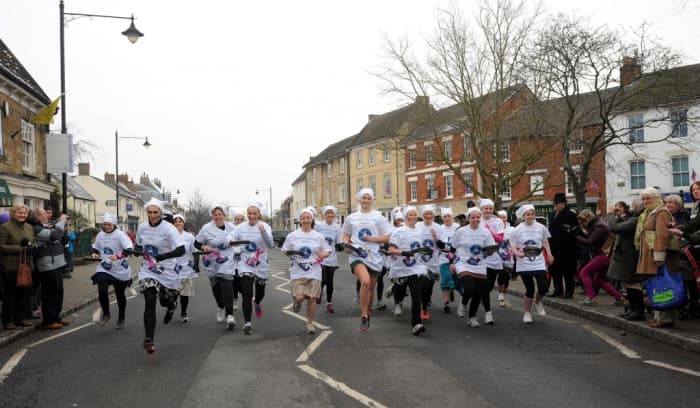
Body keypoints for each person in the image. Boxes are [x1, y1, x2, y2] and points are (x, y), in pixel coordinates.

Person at [135, 198, 185, 354]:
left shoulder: (169, 228)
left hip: (167, 270)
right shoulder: (142, 227)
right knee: (150, 300)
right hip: (148, 269)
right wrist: (136, 251)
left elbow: (181, 250)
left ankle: (171, 306)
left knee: (164, 301)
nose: (152, 215)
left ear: (161, 213)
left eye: (155, 212)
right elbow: (138, 245)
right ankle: (149, 338)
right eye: (149, 212)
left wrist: (162, 257)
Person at [342, 188, 391, 331]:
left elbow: (388, 237)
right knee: (365, 281)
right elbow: (345, 233)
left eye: (369, 198)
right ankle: (363, 315)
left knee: (370, 289)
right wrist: (347, 244)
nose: (366, 200)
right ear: (359, 199)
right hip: (357, 254)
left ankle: (367, 311)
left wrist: (373, 239)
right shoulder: (352, 217)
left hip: (374, 256)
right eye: (364, 198)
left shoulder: (378, 217)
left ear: (372, 200)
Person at [283, 207, 331, 334]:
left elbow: (328, 250)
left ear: (312, 219)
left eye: (308, 218)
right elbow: (284, 250)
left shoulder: (318, 236)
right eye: (303, 218)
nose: (305, 220)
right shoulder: (292, 236)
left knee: (312, 298)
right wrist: (290, 253)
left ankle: (310, 323)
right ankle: (297, 303)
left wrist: (323, 255)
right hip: (297, 271)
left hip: (314, 270)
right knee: (299, 297)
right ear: (300, 220)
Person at [229, 201, 273, 335]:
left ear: (259, 214)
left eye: (255, 213)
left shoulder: (264, 226)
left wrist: (264, 232)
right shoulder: (241, 227)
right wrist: (230, 240)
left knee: (260, 293)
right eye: (250, 213)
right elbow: (230, 237)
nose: (252, 216)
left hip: (260, 262)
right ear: (247, 214)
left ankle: (257, 302)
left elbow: (270, 244)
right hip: (245, 262)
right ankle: (247, 323)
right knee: (247, 293)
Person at [637, 188, 679, 328]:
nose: (645, 201)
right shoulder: (652, 212)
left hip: (658, 256)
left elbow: (662, 235)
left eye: (648, 198)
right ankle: (658, 316)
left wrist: (659, 256)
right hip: (651, 254)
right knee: (656, 286)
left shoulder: (661, 212)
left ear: (656, 198)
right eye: (643, 199)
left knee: (663, 286)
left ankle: (665, 318)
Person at [386, 206, 431, 335]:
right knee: (400, 291)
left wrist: (426, 251)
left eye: (414, 215)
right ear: (405, 217)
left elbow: (423, 248)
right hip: (401, 267)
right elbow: (391, 250)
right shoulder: (399, 231)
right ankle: (395, 290)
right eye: (410, 215)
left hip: (416, 267)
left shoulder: (420, 231)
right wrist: (405, 252)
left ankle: (416, 323)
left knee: (416, 293)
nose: (412, 217)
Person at [450, 207, 496, 327]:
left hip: (479, 264)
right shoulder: (461, 231)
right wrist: (451, 262)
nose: (475, 219)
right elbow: (452, 248)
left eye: (477, 217)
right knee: (470, 289)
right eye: (472, 217)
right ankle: (463, 303)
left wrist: (491, 251)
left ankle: (472, 317)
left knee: (479, 292)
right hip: (463, 263)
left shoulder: (485, 232)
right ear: (468, 218)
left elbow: (489, 249)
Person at [195, 206, 237, 329]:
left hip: (227, 259)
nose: (218, 217)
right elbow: (196, 243)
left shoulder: (232, 228)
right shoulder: (206, 228)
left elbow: (240, 240)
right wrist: (203, 247)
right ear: (212, 216)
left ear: (224, 215)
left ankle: (230, 315)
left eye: (220, 214)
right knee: (216, 287)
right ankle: (220, 306)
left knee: (227, 285)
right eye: (215, 215)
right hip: (211, 260)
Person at [89, 213, 133, 328]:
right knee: (102, 288)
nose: (107, 227)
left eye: (109, 224)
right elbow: (95, 247)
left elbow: (129, 248)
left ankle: (121, 317)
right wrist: (94, 252)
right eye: (105, 225)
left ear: (113, 224)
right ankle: (106, 314)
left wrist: (118, 256)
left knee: (119, 293)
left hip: (119, 268)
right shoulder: (100, 235)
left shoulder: (120, 235)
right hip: (105, 267)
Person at [28, 208, 70, 330]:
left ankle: (56, 317)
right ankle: (48, 320)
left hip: (56, 264)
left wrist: (60, 224)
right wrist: (61, 220)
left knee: (58, 293)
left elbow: (60, 234)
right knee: (49, 294)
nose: (47, 215)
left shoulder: (46, 226)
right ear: (38, 217)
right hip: (47, 265)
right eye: (44, 213)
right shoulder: (36, 229)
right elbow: (55, 235)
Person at [511, 205, 553, 323]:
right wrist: (517, 254)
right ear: (524, 216)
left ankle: (538, 302)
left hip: (538, 261)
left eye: (532, 214)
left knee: (543, 287)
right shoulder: (518, 229)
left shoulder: (541, 227)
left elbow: (545, 241)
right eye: (528, 214)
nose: (530, 216)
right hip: (524, 263)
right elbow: (512, 246)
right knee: (530, 289)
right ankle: (527, 312)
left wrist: (549, 254)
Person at [576, 209, 625, 306]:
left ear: (588, 218)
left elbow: (590, 241)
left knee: (584, 273)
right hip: (605, 255)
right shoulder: (598, 224)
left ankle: (591, 298)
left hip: (602, 255)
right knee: (599, 280)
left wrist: (576, 237)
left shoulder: (599, 226)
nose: (583, 224)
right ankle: (620, 298)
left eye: (584, 221)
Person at [0, 204, 36, 330]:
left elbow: (34, 241)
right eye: (20, 213)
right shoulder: (5, 227)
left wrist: (33, 247)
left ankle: (19, 318)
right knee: (10, 294)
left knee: (22, 294)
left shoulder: (29, 227)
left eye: (24, 213)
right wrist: (20, 248)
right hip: (11, 266)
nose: (22, 215)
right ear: (13, 213)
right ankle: (7, 320)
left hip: (25, 266)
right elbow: (1, 246)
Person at [607, 201, 643, 320]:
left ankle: (638, 312)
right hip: (625, 256)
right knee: (627, 284)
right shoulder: (627, 219)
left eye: (634, 205)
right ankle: (632, 310)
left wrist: (611, 214)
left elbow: (613, 228)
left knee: (632, 283)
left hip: (630, 256)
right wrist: (618, 216)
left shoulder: (633, 221)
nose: (632, 207)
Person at [547, 193, 579, 298]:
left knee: (567, 272)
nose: (555, 205)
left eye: (558, 203)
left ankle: (569, 292)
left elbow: (575, 231)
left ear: (563, 204)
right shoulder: (552, 215)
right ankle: (558, 290)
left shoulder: (571, 215)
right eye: (555, 203)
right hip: (554, 247)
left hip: (567, 248)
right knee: (555, 271)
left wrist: (568, 231)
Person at [478, 199, 504, 325]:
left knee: (488, 287)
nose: (488, 211)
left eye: (490, 208)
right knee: (483, 285)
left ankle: (480, 298)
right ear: (481, 209)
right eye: (485, 208)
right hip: (480, 258)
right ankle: (488, 314)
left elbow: (500, 240)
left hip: (493, 257)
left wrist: (490, 230)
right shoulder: (477, 219)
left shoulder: (497, 221)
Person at [314, 205, 343, 313]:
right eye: (328, 214)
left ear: (334, 215)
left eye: (331, 214)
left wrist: (341, 245)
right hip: (320, 257)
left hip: (331, 258)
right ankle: (320, 292)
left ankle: (329, 303)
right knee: (322, 278)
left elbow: (339, 241)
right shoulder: (319, 226)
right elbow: (314, 238)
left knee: (330, 282)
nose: (330, 216)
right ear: (324, 215)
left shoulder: (337, 227)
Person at [416, 204, 441, 320]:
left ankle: (425, 302)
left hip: (433, 261)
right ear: (423, 215)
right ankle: (423, 307)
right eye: (426, 214)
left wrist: (436, 237)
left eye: (431, 214)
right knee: (422, 284)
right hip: (419, 261)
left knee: (429, 286)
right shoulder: (417, 226)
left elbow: (442, 245)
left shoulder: (438, 227)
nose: (429, 216)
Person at [173, 214, 197, 322]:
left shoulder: (189, 237)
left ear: (183, 223)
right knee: (173, 293)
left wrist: (196, 265)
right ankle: (172, 306)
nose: (178, 223)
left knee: (184, 293)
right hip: (172, 268)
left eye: (180, 221)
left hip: (186, 268)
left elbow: (195, 252)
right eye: (176, 221)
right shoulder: (169, 236)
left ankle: (183, 313)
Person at [437, 208, 459, 313]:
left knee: (455, 279)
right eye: (445, 216)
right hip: (444, 257)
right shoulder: (440, 228)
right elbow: (439, 243)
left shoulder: (458, 228)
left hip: (457, 257)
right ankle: (446, 302)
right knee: (446, 278)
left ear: (452, 217)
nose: (447, 218)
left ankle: (452, 289)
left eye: (449, 216)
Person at [497, 210, 515, 306]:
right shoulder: (495, 228)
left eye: (504, 217)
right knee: (501, 274)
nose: (502, 219)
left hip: (509, 256)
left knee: (507, 277)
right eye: (500, 217)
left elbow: (516, 241)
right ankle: (500, 293)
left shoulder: (512, 229)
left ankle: (503, 294)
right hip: (497, 255)